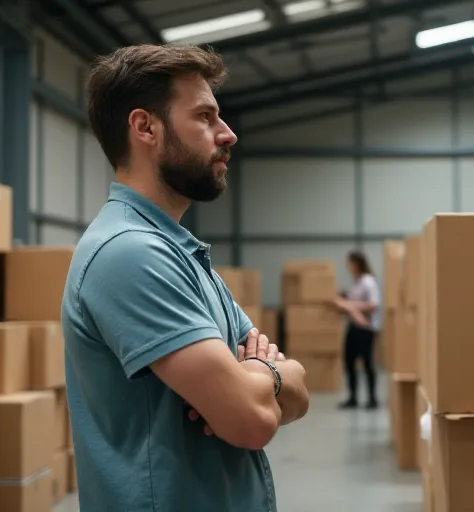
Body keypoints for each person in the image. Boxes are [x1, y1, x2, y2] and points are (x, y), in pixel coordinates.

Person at [60, 44, 310, 512]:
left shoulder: (180, 253)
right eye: (205, 117)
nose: (228, 134)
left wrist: (260, 376)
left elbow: (299, 396)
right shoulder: (130, 254)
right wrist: (270, 376)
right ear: (145, 127)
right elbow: (253, 421)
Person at [330, 251, 382, 409]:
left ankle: (372, 399)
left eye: (350, 263)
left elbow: (373, 304)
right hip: (353, 326)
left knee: (367, 363)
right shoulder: (357, 282)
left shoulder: (368, 281)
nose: (348, 267)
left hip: (366, 327)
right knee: (349, 361)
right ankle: (353, 397)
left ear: (357, 263)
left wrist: (350, 306)